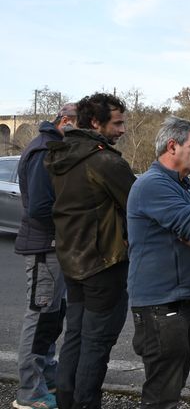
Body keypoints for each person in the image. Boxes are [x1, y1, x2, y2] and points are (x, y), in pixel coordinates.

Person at [127, 116, 190, 408]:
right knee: (162, 394)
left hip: (184, 302)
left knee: (173, 386)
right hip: (161, 306)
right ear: (172, 146)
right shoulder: (153, 185)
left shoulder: (186, 188)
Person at [45, 93, 136, 409]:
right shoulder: (105, 161)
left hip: (72, 261)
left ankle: (67, 401)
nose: (123, 129)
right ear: (95, 123)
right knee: (96, 343)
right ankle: (86, 404)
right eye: (118, 123)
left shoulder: (62, 154)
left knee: (75, 337)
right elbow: (137, 207)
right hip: (103, 264)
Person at [13, 103, 78, 409]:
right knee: (40, 317)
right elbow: (40, 207)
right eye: (80, 129)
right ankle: (30, 392)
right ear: (66, 121)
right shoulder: (43, 151)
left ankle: (46, 376)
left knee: (52, 316)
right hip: (44, 247)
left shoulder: (53, 147)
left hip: (54, 246)